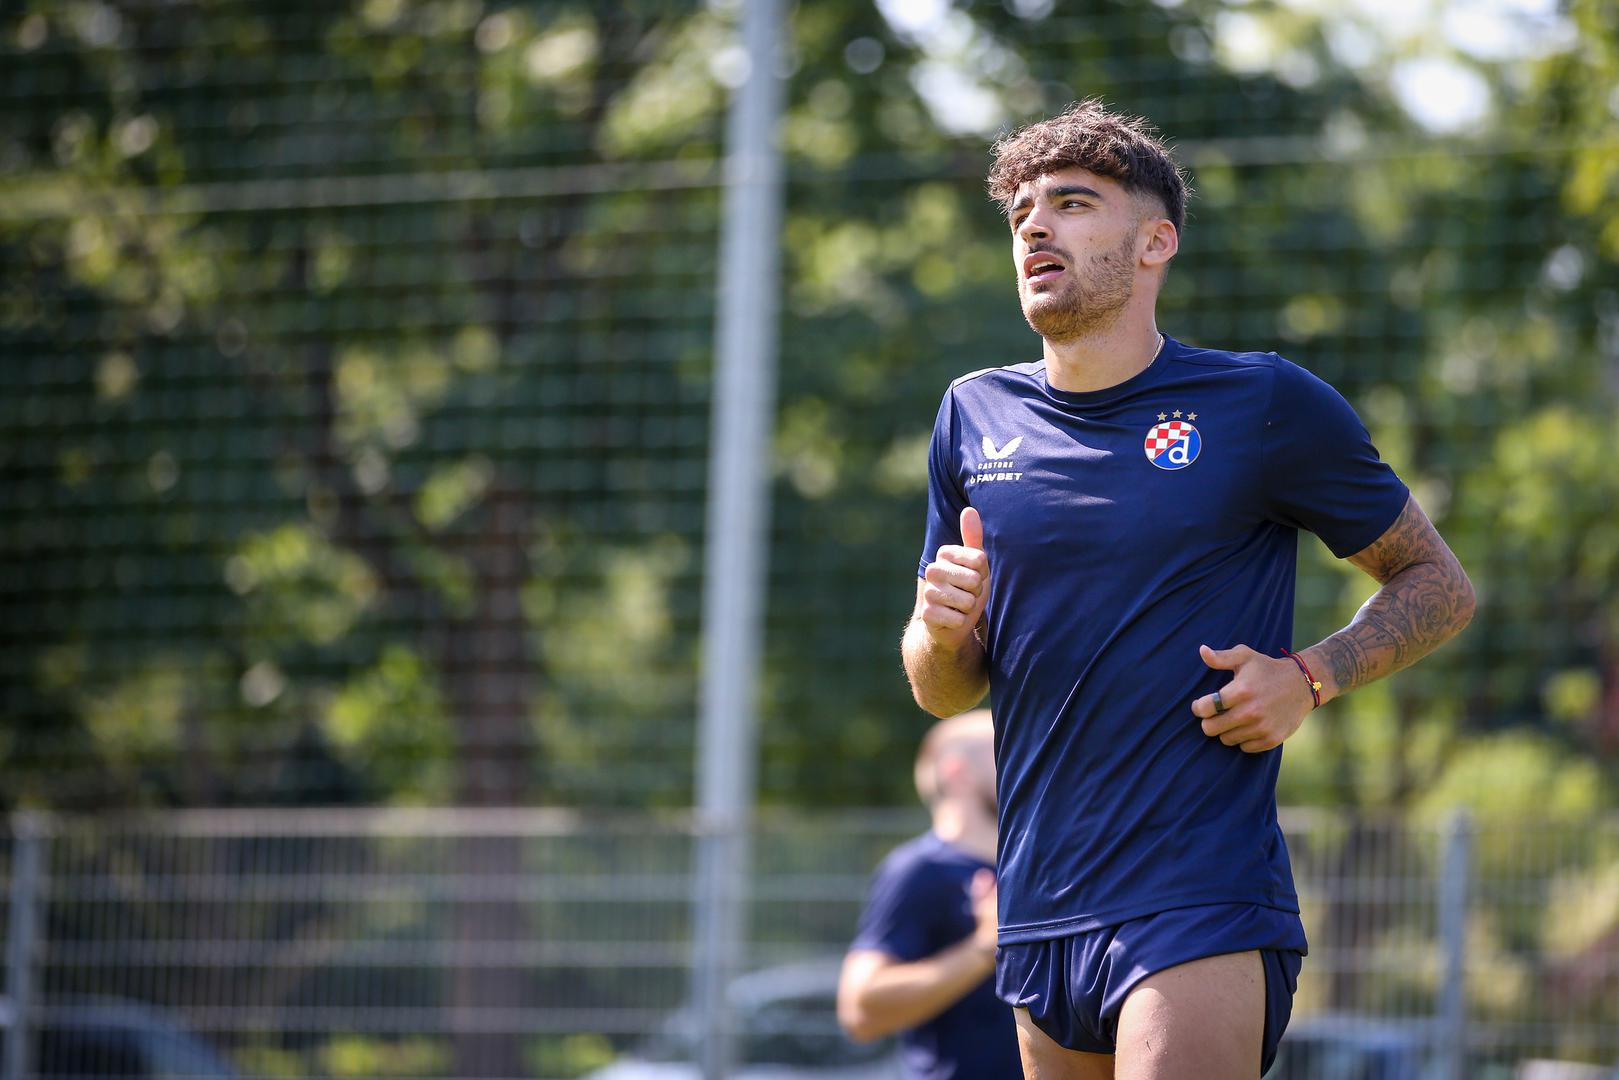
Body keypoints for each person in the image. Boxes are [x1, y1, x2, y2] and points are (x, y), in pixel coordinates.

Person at [901, 100, 1475, 1080]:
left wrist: (1312, 674)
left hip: (1195, 896)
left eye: (1072, 204)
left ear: (1153, 241)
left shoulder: (1260, 403)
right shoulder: (971, 415)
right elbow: (944, 690)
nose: (1035, 227)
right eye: (1020, 215)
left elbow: (1437, 584)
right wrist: (935, 629)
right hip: (1038, 909)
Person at [837, 709, 1023, 1079]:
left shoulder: (1030, 870)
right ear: (957, 771)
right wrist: (983, 948)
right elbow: (861, 1010)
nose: (1025, 758)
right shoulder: (919, 870)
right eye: (1005, 747)